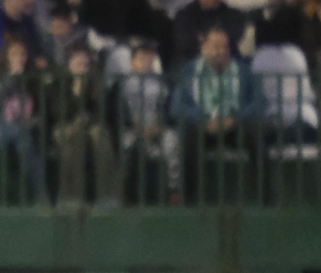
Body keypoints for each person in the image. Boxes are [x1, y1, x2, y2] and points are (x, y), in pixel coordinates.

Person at [169, 25, 267, 198]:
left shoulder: (243, 71)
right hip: (203, 126)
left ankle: (265, 199)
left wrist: (235, 119)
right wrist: (202, 121)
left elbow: (259, 102)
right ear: (203, 47)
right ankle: (189, 201)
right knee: (187, 136)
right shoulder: (189, 71)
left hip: (234, 126)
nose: (220, 51)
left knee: (256, 132)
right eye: (215, 46)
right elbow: (178, 105)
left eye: (224, 46)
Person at [0, 35, 47, 202]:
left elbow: (41, 106)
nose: (19, 58)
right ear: (6, 55)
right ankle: (42, 194)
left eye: (22, 54)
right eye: (15, 54)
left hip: (25, 126)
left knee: (20, 134)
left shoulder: (32, 75)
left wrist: (34, 120)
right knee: (14, 131)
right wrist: (11, 78)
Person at [115, 39, 184, 203]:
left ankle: (173, 191)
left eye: (150, 56)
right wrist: (134, 126)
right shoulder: (121, 84)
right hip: (131, 130)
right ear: (132, 60)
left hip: (158, 129)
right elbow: (116, 111)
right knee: (123, 145)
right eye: (142, 56)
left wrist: (159, 126)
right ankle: (122, 193)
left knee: (172, 141)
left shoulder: (164, 82)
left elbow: (171, 110)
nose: (147, 60)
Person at [52, 44, 121, 205]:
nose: (82, 63)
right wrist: (76, 95)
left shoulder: (96, 81)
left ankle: (109, 196)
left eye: (85, 61)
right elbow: (58, 112)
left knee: (99, 134)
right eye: (77, 59)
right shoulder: (59, 81)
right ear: (69, 62)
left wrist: (84, 90)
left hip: (90, 126)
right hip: (64, 127)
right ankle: (71, 196)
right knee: (73, 137)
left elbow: (102, 111)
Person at [175, 0, 250, 60]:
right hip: (193, 63)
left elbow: (234, 39)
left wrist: (207, 39)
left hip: (229, 62)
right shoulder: (184, 15)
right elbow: (184, 43)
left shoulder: (234, 15)